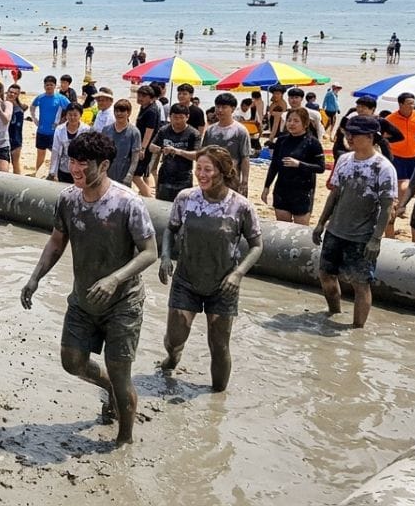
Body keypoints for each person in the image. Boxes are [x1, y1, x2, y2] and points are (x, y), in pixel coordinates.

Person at [21, 131, 157, 447]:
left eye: (84, 163)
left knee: (122, 374)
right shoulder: (69, 199)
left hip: (123, 302)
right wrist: (35, 277)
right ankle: (106, 385)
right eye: (72, 161)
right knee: (72, 362)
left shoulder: (127, 203)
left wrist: (114, 279)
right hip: (83, 299)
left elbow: (151, 252)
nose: (76, 169)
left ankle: (124, 441)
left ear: (104, 164)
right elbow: (57, 240)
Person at [157, 146, 263, 391]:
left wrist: (238, 274)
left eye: (207, 170)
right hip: (186, 280)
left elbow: (257, 245)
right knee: (174, 339)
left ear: (223, 172)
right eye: (198, 169)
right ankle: (173, 357)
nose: (201, 175)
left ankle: (217, 400)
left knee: (219, 345)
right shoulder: (186, 198)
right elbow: (171, 230)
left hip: (223, 284)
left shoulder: (241, 206)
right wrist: (165, 256)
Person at [313, 115, 397, 329]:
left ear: (370, 137)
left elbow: (387, 206)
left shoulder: (383, 167)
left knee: (361, 284)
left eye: (354, 134)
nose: (349, 138)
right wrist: (322, 223)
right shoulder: (344, 160)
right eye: (347, 133)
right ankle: (333, 313)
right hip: (336, 230)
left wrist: (376, 239)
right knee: (326, 276)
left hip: (362, 236)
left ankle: (357, 329)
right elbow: (335, 194)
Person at [261, 107, 326, 224]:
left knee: (299, 231)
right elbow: (274, 165)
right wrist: (266, 187)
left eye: (296, 121)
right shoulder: (281, 141)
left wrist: (299, 164)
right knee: (283, 228)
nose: (291, 124)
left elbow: (321, 168)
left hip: (302, 191)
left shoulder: (312, 143)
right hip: (282, 190)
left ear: (305, 123)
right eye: (289, 120)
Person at [149, 103, 202, 202]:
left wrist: (177, 151)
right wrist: (161, 150)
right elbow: (151, 147)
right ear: (170, 117)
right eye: (175, 117)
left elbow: (197, 155)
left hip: (183, 178)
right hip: (164, 177)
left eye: (181, 117)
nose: (178, 120)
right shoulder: (164, 130)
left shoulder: (193, 134)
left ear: (187, 117)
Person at [201, 93, 252, 195]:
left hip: (232, 180)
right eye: (218, 107)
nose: (220, 110)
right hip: (211, 179)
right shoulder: (210, 130)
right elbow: (204, 154)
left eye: (224, 107)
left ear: (232, 109)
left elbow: (245, 157)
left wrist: (245, 181)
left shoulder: (240, 131)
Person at [30, 75, 71, 175]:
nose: (49, 87)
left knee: (56, 153)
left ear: (55, 86)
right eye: (47, 85)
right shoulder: (40, 97)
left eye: (51, 85)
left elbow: (71, 108)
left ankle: (54, 173)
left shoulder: (60, 98)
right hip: (41, 130)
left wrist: (64, 120)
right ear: (44, 86)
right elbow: (32, 106)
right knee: (40, 153)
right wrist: (34, 118)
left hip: (55, 131)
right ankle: (37, 172)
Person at [100, 99, 141, 186]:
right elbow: (101, 152)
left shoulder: (134, 132)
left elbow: (135, 158)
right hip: (106, 173)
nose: (119, 114)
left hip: (123, 174)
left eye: (122, 111)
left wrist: (129, 175)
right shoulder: (106, 129)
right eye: (116, 111)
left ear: (128, 113)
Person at [48, 102, 89, 183]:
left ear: (80, 115)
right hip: (63, 168)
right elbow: (55, 150)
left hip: (80, 169)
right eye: (70, 114)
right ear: (66, 115)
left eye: (75, 115)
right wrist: (53, 171)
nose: (72, 117)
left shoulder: (86, 130)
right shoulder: (59, 129)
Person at [131, 85, 160, 196]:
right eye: (139, 95)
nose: (140, 98)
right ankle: (144, 193)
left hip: (146, 146)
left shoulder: (151, 111)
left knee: (135, 175)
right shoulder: (144, 107)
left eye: (143, 96)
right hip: (142, 144)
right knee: (142, 173)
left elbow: (150, 131)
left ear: (150, 97)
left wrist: (142, 148)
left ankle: (147, 194)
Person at [6, 84, 27, 175]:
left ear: (17, 95)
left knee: (15, 164)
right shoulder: (2, 105)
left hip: (15, 140)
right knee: (4, 164)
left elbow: (17, 129)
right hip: (2, 139)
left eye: (15, 93)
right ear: (7, 92)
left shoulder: (18, 111)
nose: (12, 95)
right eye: (10, 92)